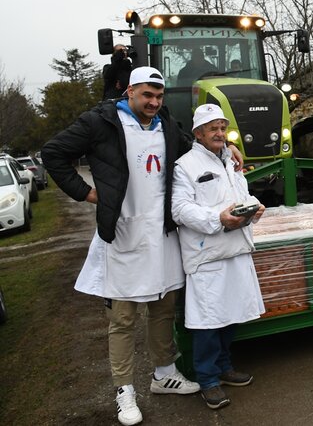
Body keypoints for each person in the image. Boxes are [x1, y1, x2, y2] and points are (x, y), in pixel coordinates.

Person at [41, 67, 201, 425]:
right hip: (124, 233)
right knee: (123, 317)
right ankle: (124, 390)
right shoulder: (101, 122)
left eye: (159, 96)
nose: (154, 102)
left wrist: (226, 149)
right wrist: (86, 193)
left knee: (163, 307)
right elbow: (52, 153)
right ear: (130, 91)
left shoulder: (165, 123)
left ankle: (164, 374)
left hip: (162, 235)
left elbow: (193, 151)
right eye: (147, 95)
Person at [172, 104, 266, 410]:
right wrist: (217, 218)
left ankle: (224, 368)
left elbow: (241, 195)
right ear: (198, 133)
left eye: (222, 128)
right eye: (213, 128)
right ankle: (208, 379)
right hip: (207, 255)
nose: (220, 133)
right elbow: (180, 209)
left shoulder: (230, 161)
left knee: (231, 314)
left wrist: (254, 206)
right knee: (208, 322)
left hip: (235, 248)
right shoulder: (185, 166)